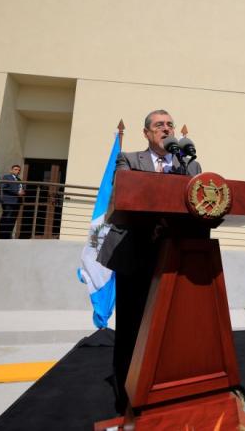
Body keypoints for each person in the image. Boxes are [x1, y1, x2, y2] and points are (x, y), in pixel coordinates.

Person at [97, 109, 201, 413]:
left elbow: (196, 204)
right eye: (159, 125)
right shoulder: (129, 159)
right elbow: (126, 195)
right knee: (132, 328)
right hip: (135, 252)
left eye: (170, 124)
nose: (166, 129)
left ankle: (166, 386)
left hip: (175, 254)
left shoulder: (189, 164)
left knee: (170, 327)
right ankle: (126, 394)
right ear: (146, 133)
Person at [0, 164, 25, 239]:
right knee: (6, 218)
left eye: (19, 170)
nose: (18, 171)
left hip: (17, 202)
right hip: (8, 201)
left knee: (13, 219)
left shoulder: (19, 180)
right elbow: (4, 188)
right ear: (11, 170)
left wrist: (22, 192)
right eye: (16, 169)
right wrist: (17, 192)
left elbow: (21, 189)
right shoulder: (6, 177)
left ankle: (8, 235)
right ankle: (2, 236)